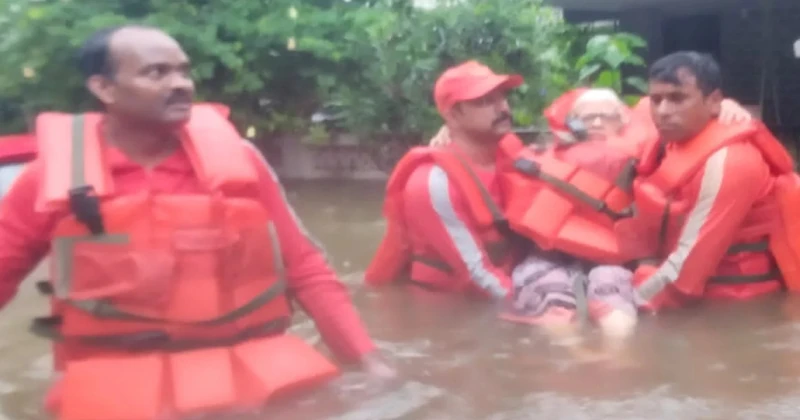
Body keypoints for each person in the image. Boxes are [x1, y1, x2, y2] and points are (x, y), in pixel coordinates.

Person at [0, 25, 392, 420]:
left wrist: (368, 361)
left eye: (184, 72)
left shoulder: (242, 163)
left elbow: (306, 269)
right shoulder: (50, 180)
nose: (181, 84)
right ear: (105, 88)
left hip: (247, 383)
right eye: (157, 73)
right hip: (120, 392)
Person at [631, 51, 800, 311]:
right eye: (656, 100)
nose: (662, 111)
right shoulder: (673, 137)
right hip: (688, 288)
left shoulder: (732, 163)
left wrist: (632, 296)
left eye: (677, 98)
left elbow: (684, 278)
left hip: (737, 309)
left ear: (713, 102)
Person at [364, 60, 528, 299]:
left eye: (501, 96)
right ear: (453, 115)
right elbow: (477, 275)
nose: (501, 108)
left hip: (505, 283)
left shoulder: (510, 152)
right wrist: (536, 308)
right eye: (484, 101)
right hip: (449, 308)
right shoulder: (433, 183)